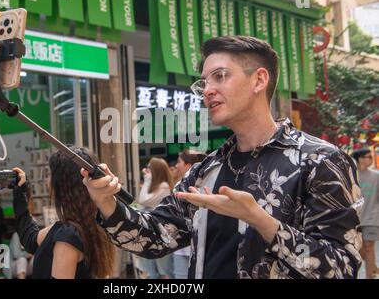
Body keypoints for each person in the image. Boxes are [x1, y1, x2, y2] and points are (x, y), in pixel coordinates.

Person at [82, 35, 363, 279]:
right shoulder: (206, 169)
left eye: (220, 76)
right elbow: (155, 237)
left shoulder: (320, 161)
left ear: (259, 80)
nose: (207, 91)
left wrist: (260, 220)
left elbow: (341, 268)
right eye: (204, 82)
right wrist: (106, 201)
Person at [12, 147, 114, 279]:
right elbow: (30, 238)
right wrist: (20, 194)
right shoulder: (92, 222)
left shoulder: (67, 237)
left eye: (50, 175)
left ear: (63, 183)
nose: (47, 181)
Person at [136, 158, 174, 279]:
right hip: (151, 232)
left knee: (163, 269)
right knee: (150, 268)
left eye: (149, 168)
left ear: (155, 170)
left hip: (160, 233)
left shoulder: (164, 186)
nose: (146, 170)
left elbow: (143, 200)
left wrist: (147, 179)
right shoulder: (155, 186)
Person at [172, 150, 207, 279]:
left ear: (188, 165)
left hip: (199, 246)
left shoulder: (207, 182)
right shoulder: (179, 183)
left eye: (179, 162)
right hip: (181, 248)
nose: (176, 165)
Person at [352, 148, 379, 279]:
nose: (371, 158)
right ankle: (373, 267)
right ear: (360, 159)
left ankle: (370, 276)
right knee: (358, 250)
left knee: (369, 247)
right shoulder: (351, 175)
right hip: (354, 220)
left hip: (372, 218)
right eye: (368, 156)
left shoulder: (376, 176)